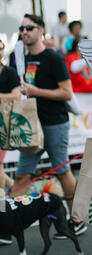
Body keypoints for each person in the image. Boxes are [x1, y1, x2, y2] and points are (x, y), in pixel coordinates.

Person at [11, 14, 87, 237]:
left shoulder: (53, 58)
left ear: (41, 30)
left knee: (62, 171)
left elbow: (66, 92)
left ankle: (76, 219)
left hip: (55, 123)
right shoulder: (21, 58)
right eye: (22, 28)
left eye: (30, 28)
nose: (25, 31)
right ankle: (12, 223)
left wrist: (36, 92)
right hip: (32, 126)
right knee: (21, 175)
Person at [0, 39, 21, 245]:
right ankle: (16, 186)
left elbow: (16, 96)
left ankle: (3, 223)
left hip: (3, 127)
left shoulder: (9, 73)